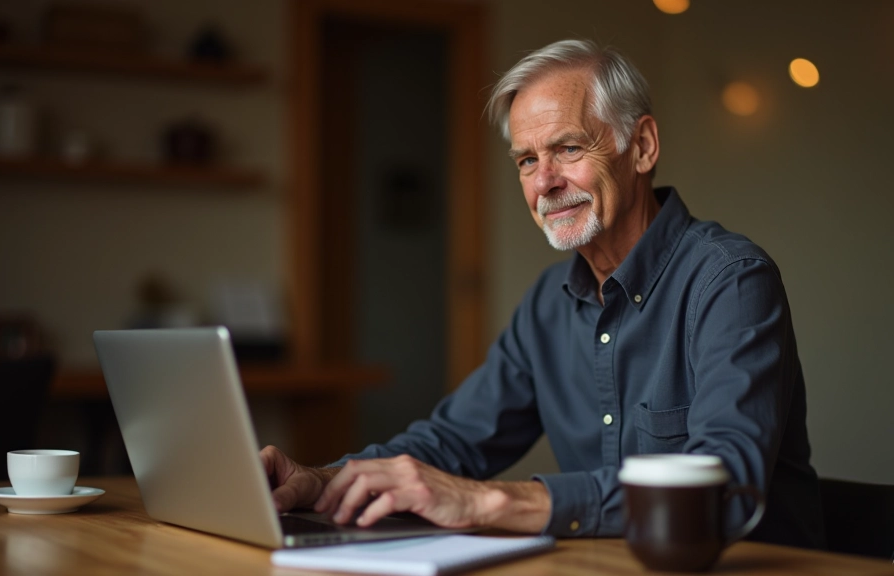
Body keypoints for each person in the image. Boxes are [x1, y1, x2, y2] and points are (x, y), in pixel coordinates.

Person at [260, 39, 825, 549]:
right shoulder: (547, 303)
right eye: (527, 160)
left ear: (644, 146)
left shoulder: (731, 280)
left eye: (569, 149)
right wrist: (323, 479)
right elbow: (453, 440)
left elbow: (721, 487)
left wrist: (492, 501)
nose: (544, 182)